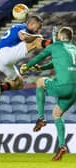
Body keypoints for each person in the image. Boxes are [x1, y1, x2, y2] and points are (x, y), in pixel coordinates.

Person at [20, 26, 76, 161]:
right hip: (75, 89)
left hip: (63, 85)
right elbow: (57, 62)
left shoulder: (56, 45)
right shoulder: (74, 48)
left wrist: (27, 67)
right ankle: (62, 146)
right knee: (57, 114)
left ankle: (41, 118)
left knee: (40, 82)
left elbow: (40, 56)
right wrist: (42, 68)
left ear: (61, 37)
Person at [0, 15, 51, 103]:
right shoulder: (22, 27)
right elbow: (24, 37)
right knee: (36, 40)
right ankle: (53, 43)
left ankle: (0, 87)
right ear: (31, 24)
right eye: (38, 28)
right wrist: (38, 36)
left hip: (0, 61)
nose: (38, 30)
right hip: (5, 53)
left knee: (18, 84)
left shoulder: (21, 27)